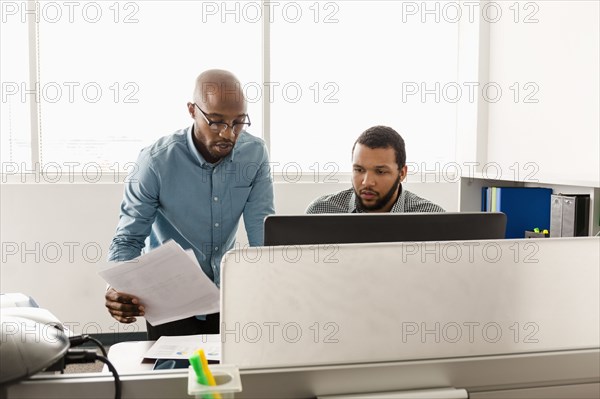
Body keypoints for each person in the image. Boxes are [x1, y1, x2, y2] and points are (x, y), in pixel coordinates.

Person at [105, 69, 275, 338]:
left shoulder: (254, 154)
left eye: (238, 122)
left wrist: (280, 286)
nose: (229, 134)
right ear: (192, 110)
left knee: (228, 373)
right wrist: (117, 287)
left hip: (225, 293)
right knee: (175, 375)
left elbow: (262, 234)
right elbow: (127, 239)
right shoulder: (156, 162)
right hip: (167, 297)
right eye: (217, 122)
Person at [306, 125, 443, 214]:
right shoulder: (320, 211)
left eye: (380, 171)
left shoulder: (433, 217)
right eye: (359, 170)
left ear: (402, 173)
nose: (367, 182)